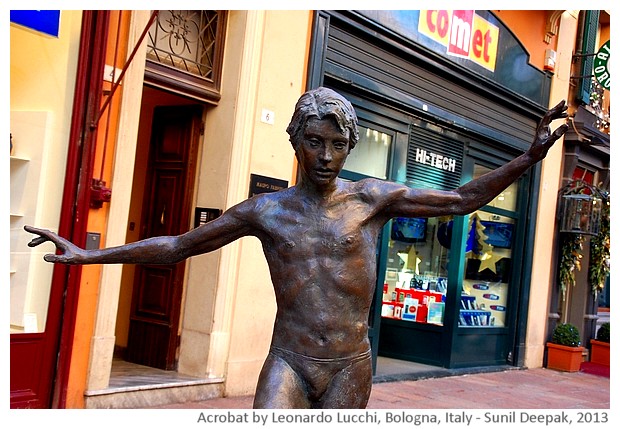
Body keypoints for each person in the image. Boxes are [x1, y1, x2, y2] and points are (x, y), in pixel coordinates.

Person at [25, 87, 568, 409]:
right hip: (289, 359)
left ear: (350, 146)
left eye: (338, 144)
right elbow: (176, 246)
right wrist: (90, 255)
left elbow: (461, 198)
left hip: (350, 363)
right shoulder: (266, 212)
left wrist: (528, 159)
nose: (327, 156)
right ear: (296, 142)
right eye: (315, 142)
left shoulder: (372, 199)